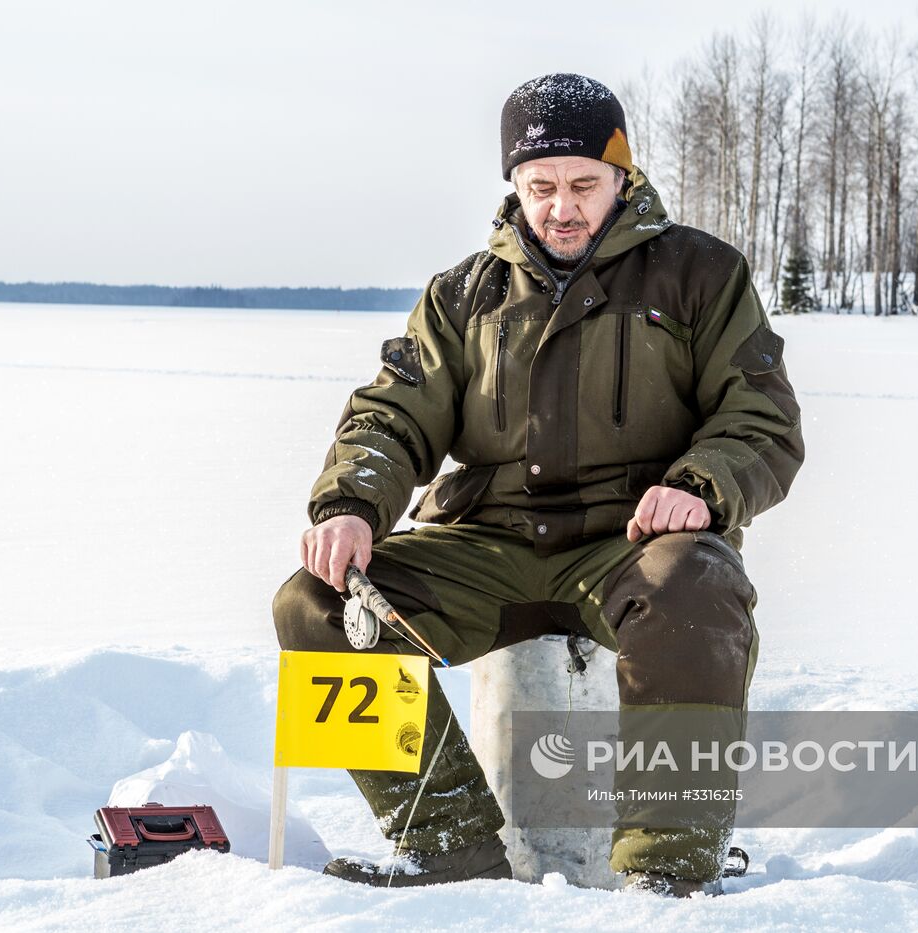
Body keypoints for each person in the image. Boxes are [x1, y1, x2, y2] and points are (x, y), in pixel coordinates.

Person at [271, 73, 804, 897]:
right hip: (491, 546)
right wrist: (349, 504)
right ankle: (446, 837)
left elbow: (761, 418)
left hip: (632, 547)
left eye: (584, 184)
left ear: (623, 176)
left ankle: (667, 871)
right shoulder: (464, 294)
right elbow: (391, 414)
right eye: (541, 186)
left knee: (697, 582)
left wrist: (701, 483)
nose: (562, 206)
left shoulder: (700, 274)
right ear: (514, 186)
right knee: (313, 604)